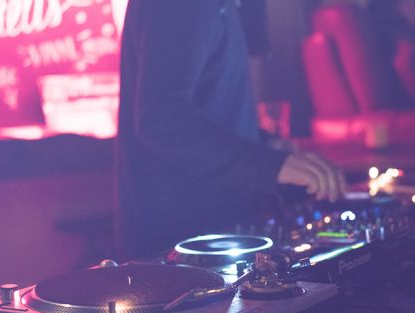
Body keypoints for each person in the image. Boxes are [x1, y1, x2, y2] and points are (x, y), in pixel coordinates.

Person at [116, 0, 347, 260]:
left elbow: (211, 108)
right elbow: (161, 119)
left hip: (210, 234)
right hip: (180, 243)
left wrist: (265, 144)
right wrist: (271, 165)